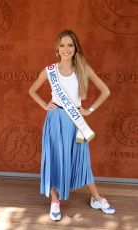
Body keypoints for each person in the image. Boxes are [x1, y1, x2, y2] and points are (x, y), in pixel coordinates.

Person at [29, 29, 115, 221]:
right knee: (53, 159)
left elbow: (105, 91)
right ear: (57, 49)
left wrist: (89, 110)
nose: (66, 49)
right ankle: (55, 200)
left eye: (70, 45)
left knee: (82, 161)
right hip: (55, 120)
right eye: (62, 45)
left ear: (75, 48)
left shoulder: (83, 68)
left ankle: (97, 199)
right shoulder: (50, 71)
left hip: (75, 121)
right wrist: (45, 105)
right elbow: (32, 90)